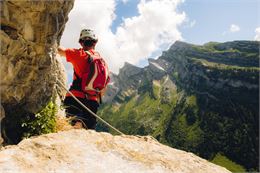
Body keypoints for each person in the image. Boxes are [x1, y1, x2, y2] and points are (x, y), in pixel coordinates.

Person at [57, 29, 107, 129]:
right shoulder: (102, 62)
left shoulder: (78, 54)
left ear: (81, 42)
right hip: (92, 102)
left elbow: (59, 50)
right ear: (95, 42)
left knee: (73, 127)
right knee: (89, 131)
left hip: (75, 98)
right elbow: (103, 88)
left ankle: (77, 124)